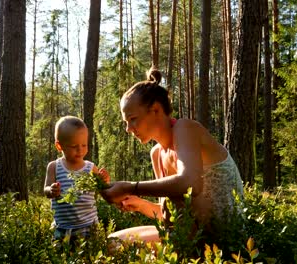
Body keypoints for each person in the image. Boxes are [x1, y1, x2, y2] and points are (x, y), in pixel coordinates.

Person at [101, 67, 244, 244]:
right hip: (192, 231)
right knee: (113, 242)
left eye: (132, 119)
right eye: (126, 122)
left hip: (224, 234)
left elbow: (190, 184)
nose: (128, 129)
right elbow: (168, 215)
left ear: (155, 109)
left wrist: (130, 187)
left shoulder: (185, 129)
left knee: (178, 195)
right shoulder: (156, 154)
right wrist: (140, 204)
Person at [44, 115, 109, 243]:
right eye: (74, 146)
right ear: (59, 146)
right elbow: (46, 189)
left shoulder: (90, 168)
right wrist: (51, 190)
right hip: (61, 227)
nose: (80, 150)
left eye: (84, 145)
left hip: (89, 226)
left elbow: (103, 189)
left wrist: (104, 179)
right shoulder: (54, 167)